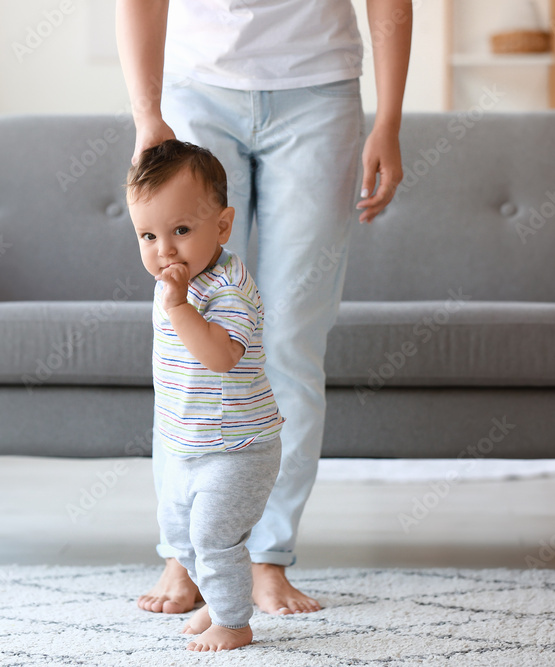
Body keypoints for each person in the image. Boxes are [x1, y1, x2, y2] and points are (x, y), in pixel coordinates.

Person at [116, 0, 412, 616]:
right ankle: (184, 552)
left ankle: (267, 558)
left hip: (320, 91)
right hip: (195, 89)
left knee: (291, 343)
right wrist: (147, 115)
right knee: (182, 327)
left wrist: (389, 119)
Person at [126, 138, 285, 651]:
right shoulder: (174, 280)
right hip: (186, 443)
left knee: (215, 538)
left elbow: (220, 356)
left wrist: (178, 308)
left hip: (238, 447)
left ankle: (234, 623)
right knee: (180, 534)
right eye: (148, 235)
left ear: (222, 226)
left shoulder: (228, 288)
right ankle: (217, 605)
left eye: (180, 231)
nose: (163, 250)